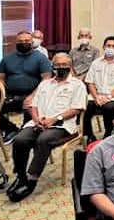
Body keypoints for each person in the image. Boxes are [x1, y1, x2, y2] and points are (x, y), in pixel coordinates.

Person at [7, 53, 87, 201]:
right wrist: (36, 119)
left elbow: (77, 109)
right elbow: (33, 105)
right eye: (58, 65)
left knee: (43, 140)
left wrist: (54, 119)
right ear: (52, 66)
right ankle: (21, 176)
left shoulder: (77, 85)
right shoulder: (44, 84)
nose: (61, 67)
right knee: (20, 139)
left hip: (62, 125)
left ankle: (31, 179)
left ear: (70, 67)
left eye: (64, 65)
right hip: (38, 122)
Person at [0, 31, 53, 144]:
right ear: (16, 43)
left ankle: (23, 133)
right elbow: (0, 78)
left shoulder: (41, 58)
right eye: (20, 41)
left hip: (32, 95)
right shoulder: (7, 58)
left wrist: (32, 96)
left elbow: (46, 80)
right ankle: (11, 130)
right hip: (10, 95)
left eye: (27, 41)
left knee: (30, 111)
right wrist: (2, 93)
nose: (23, 43)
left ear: (32, 42)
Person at [84, 36, 114, 142]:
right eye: (108, 46)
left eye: (113, 46)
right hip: (96, 95)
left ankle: (108, 133)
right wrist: (96, 97)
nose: (110, 48)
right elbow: (90, 82)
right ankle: (89, 135)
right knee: (86, 106)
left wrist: (108, 97)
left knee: (108, 107)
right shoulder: (96, 63)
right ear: (104, 47)